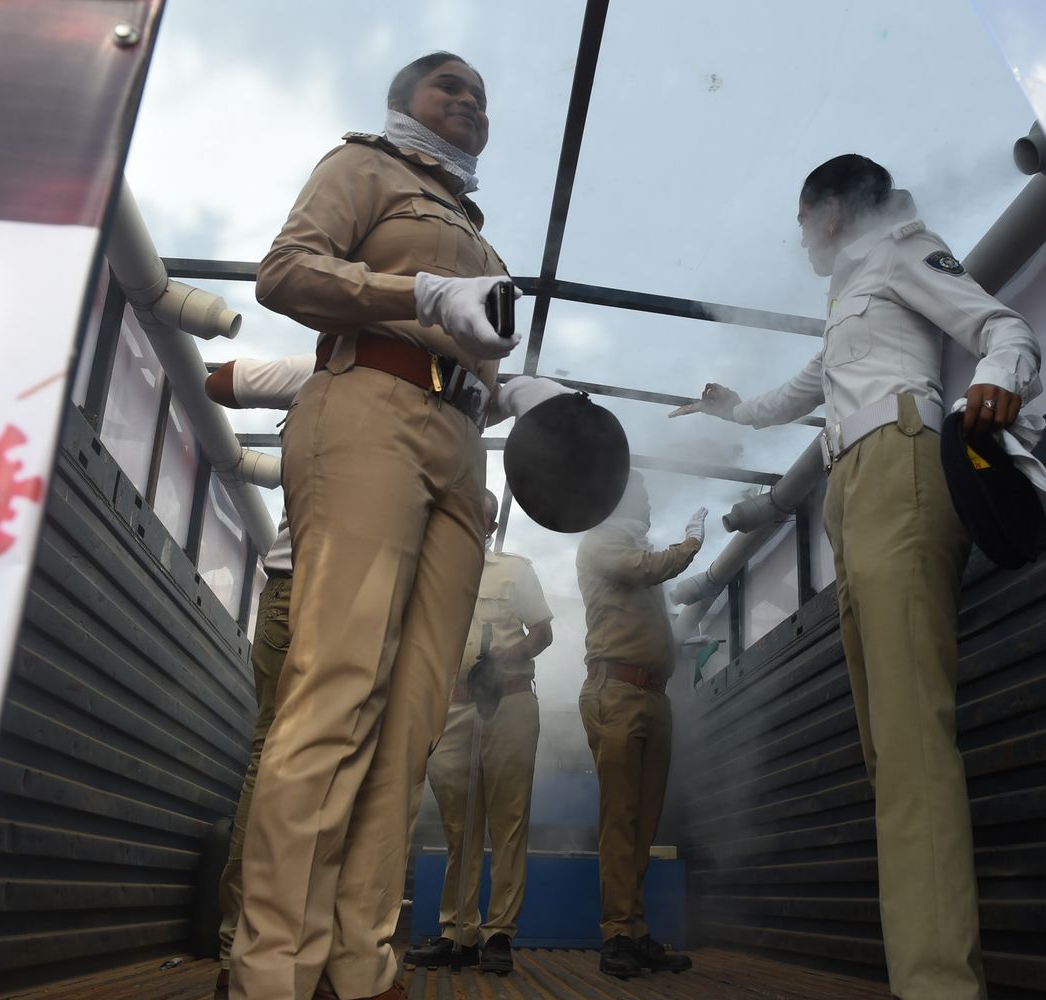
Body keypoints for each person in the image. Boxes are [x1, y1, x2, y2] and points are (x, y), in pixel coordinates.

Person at [672, 155, 1042, 1000]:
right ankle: (926, 970)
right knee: (887, 757)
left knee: (910, 749)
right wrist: (730, 408)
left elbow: (1005, 329)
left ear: (832, 209)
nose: (800, 235)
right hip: (853, 493)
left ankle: (939, 986)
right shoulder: (847, 296)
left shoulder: (905, 246)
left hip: (903, 466)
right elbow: (793, 396)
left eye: (804, 218)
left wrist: (993, 381)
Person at [230, 52, 542, 1000]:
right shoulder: (362, 167)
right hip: (369, 405)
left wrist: (520, 388)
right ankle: (273, 968)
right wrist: (415, 295)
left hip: (460, 444)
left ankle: (360, 964)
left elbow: (474, 344)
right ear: (403, 101)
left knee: (411, 724)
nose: (469, 103)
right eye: (450, 88)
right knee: (339, 688)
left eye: (481, 98)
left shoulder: (480, 237)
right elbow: (284, 273)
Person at [201, 353, 316, 1000]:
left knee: (272, 761)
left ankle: (240, 953)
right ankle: (268, 954)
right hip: (326, 592)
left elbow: (218, 379)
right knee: (315, 766)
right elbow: (215, 379)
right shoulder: (429, 379)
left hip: (296, 588)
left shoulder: (318, 365)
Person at [405, 490, 553, 976]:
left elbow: (542, 633)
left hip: (508, 700)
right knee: (458, 826)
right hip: (452, 708)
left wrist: (505, 659)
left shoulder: (515, 570)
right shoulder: (431, 574)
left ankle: (499, 936)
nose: (474, 522)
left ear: (490, 526)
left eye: (483, 517)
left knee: (507, 822)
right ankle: (457, 933)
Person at [575, 472, 706, 979]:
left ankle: (634, 929)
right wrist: (691, 543)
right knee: (621, 818)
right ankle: (616, 935)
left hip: (651, 694)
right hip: (617, 692)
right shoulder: (604, 541)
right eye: (641, 496)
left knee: (644, 821)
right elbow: (644, 569)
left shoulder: (630, 545)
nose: (649, 505)